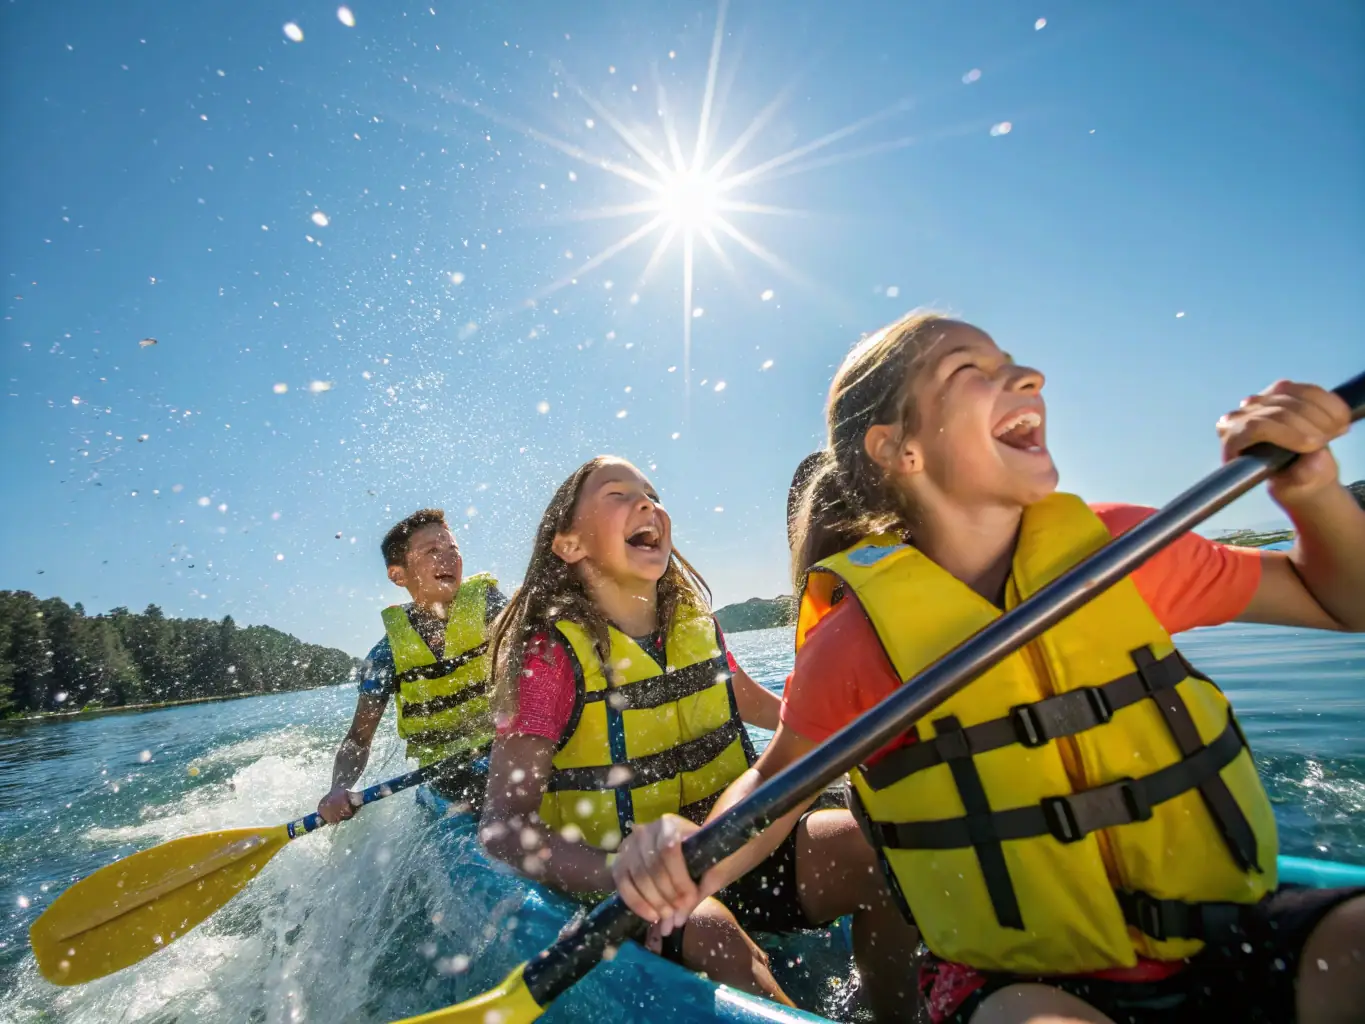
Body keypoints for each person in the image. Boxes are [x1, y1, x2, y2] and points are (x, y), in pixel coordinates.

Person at [609, 310, 1365, 1024]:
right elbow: (775, 788)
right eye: (971, 368)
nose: (1029, 376)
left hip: (1231, 928)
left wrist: (1312, 493)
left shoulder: (1121, 547)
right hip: (1025, 980)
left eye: (1016, 364)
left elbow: (1339, 603)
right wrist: (684, 855)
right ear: (897, 450)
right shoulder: (857, 642)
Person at [478, 455, 917, 1011]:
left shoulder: (696, 625)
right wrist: (617, 877)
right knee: (711, 933)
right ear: (569, 545)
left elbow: (761, 706)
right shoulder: (549, 660)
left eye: (652, 493)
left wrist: (846, 733)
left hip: (729, 839)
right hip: (627, 872)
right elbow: (503, 827)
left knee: (878, 850)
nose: (647, 505)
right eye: (617, 494)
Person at [317, 508, 507, 822]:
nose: (449, 559)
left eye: (453, 549)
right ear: (398, 575)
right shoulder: (384, 657)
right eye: (432, 551)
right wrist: (339, 787)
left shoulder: (491, 606)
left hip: (509, 757)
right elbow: (357, 739)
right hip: (444, 782)